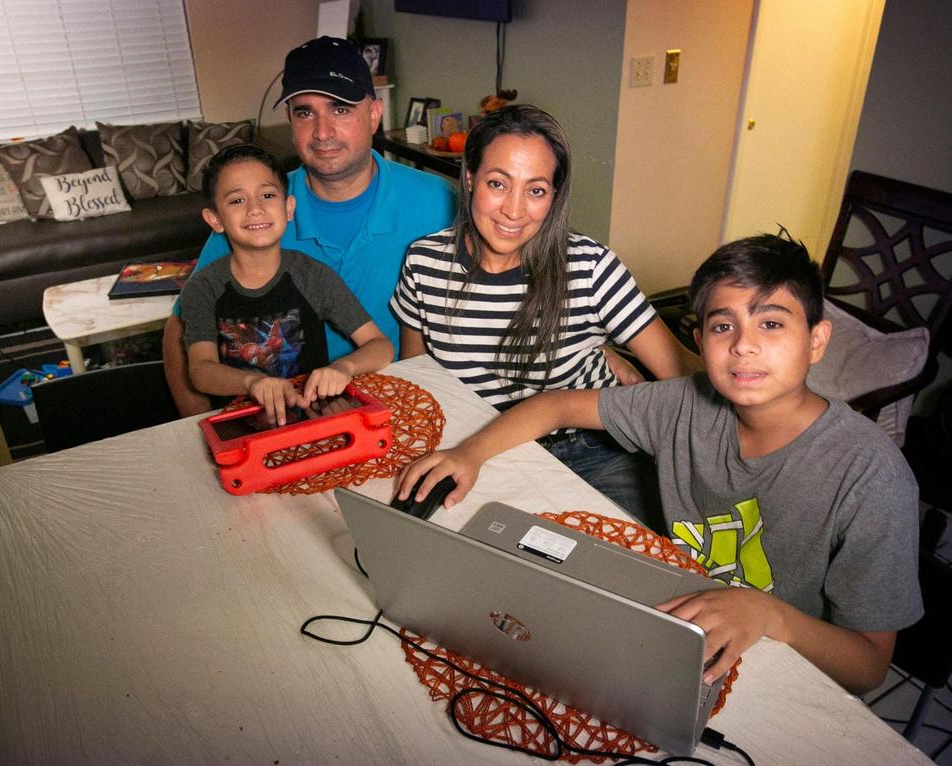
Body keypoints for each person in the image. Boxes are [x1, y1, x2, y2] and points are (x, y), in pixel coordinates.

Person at [396, 233, 923, 694]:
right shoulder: (683, 402)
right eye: (723, 327)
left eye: (770, 323)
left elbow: (870, 666)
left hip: (780, 656)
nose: (743, 346)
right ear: (699, 341)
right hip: (676, 628)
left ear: (816, 341)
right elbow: (558, 403)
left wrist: (768, 615)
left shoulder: (871, 476)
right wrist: (470, 454)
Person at [390, 104, 701, 526]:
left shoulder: (590, 267)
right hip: (473, 448)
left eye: (535, 190)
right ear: (469, 179)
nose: (513, 211)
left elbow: (679, 370)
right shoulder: (423, 260)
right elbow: (419, 375)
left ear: (554, 196)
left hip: (592, 453)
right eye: (498, 183)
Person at [163, 35, 456, 416]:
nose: (321, 132)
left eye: (340, 109)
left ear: (373, 114)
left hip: (398, 408)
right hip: (279, 419)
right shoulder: (256, 215)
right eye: (304, 112)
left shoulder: (440, 203)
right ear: (290, 120)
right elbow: (179, 330)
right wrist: (201, 432)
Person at [177, 143, 393, 425]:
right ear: (215, 219)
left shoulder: (312, 276)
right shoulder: (203, 288)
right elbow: (201, 371)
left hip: (313, 424)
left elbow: (380, 346)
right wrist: (252, 383)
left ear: (289, 208)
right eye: (237, 200)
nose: (255, 209)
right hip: (241, 431)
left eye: (267, 195)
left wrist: (344, 367)